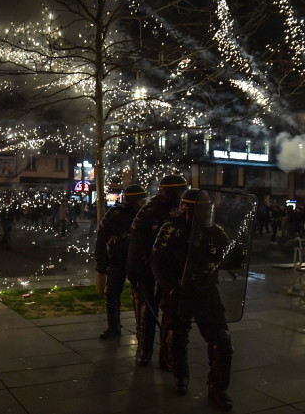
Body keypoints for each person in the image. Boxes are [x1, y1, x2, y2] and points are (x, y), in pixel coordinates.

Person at [151, 189, 233, 411]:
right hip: (177, 292)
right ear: (187, 209)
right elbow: (157, 263)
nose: (205, 212)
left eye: (207, 208)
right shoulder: (170, 230)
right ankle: (180, 374)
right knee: (175, 336)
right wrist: (170, 288)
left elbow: (227, 256)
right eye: (202, 208)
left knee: (221, 339)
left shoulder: (215, 232)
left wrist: (236, 255)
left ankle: (218, 387)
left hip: (205, 291)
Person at [127, 174, 188, 369]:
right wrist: (134, 270)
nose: (181, 195)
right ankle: (144, 350)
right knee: (147, 312)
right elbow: (135, 243)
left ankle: (167, 354)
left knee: (172, 314)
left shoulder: (182, 211)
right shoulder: (148, 212)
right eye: (179, 191)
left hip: (172, 272)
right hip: (148, 271)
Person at [95, 184, 147, 339]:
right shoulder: (115, 214)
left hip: (138, 260)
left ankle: (143, 329)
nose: (143, 203)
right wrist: (101, 262)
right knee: (112, 294)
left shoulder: (145, 215)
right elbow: (101, 238)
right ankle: (114, 327)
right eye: (140, 200)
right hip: (118, 259)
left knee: (141, 296)